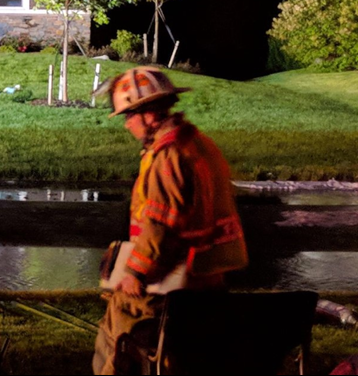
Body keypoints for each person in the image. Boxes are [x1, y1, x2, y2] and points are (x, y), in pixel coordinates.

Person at [93, 67, 249, 375]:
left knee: (114, 347)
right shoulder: (201, 145)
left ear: (148, 113)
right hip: (207, 284)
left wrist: (134, 274)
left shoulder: (168, 156)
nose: (127, 125)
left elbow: (160, 225)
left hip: (167, 285)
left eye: (128, 116)